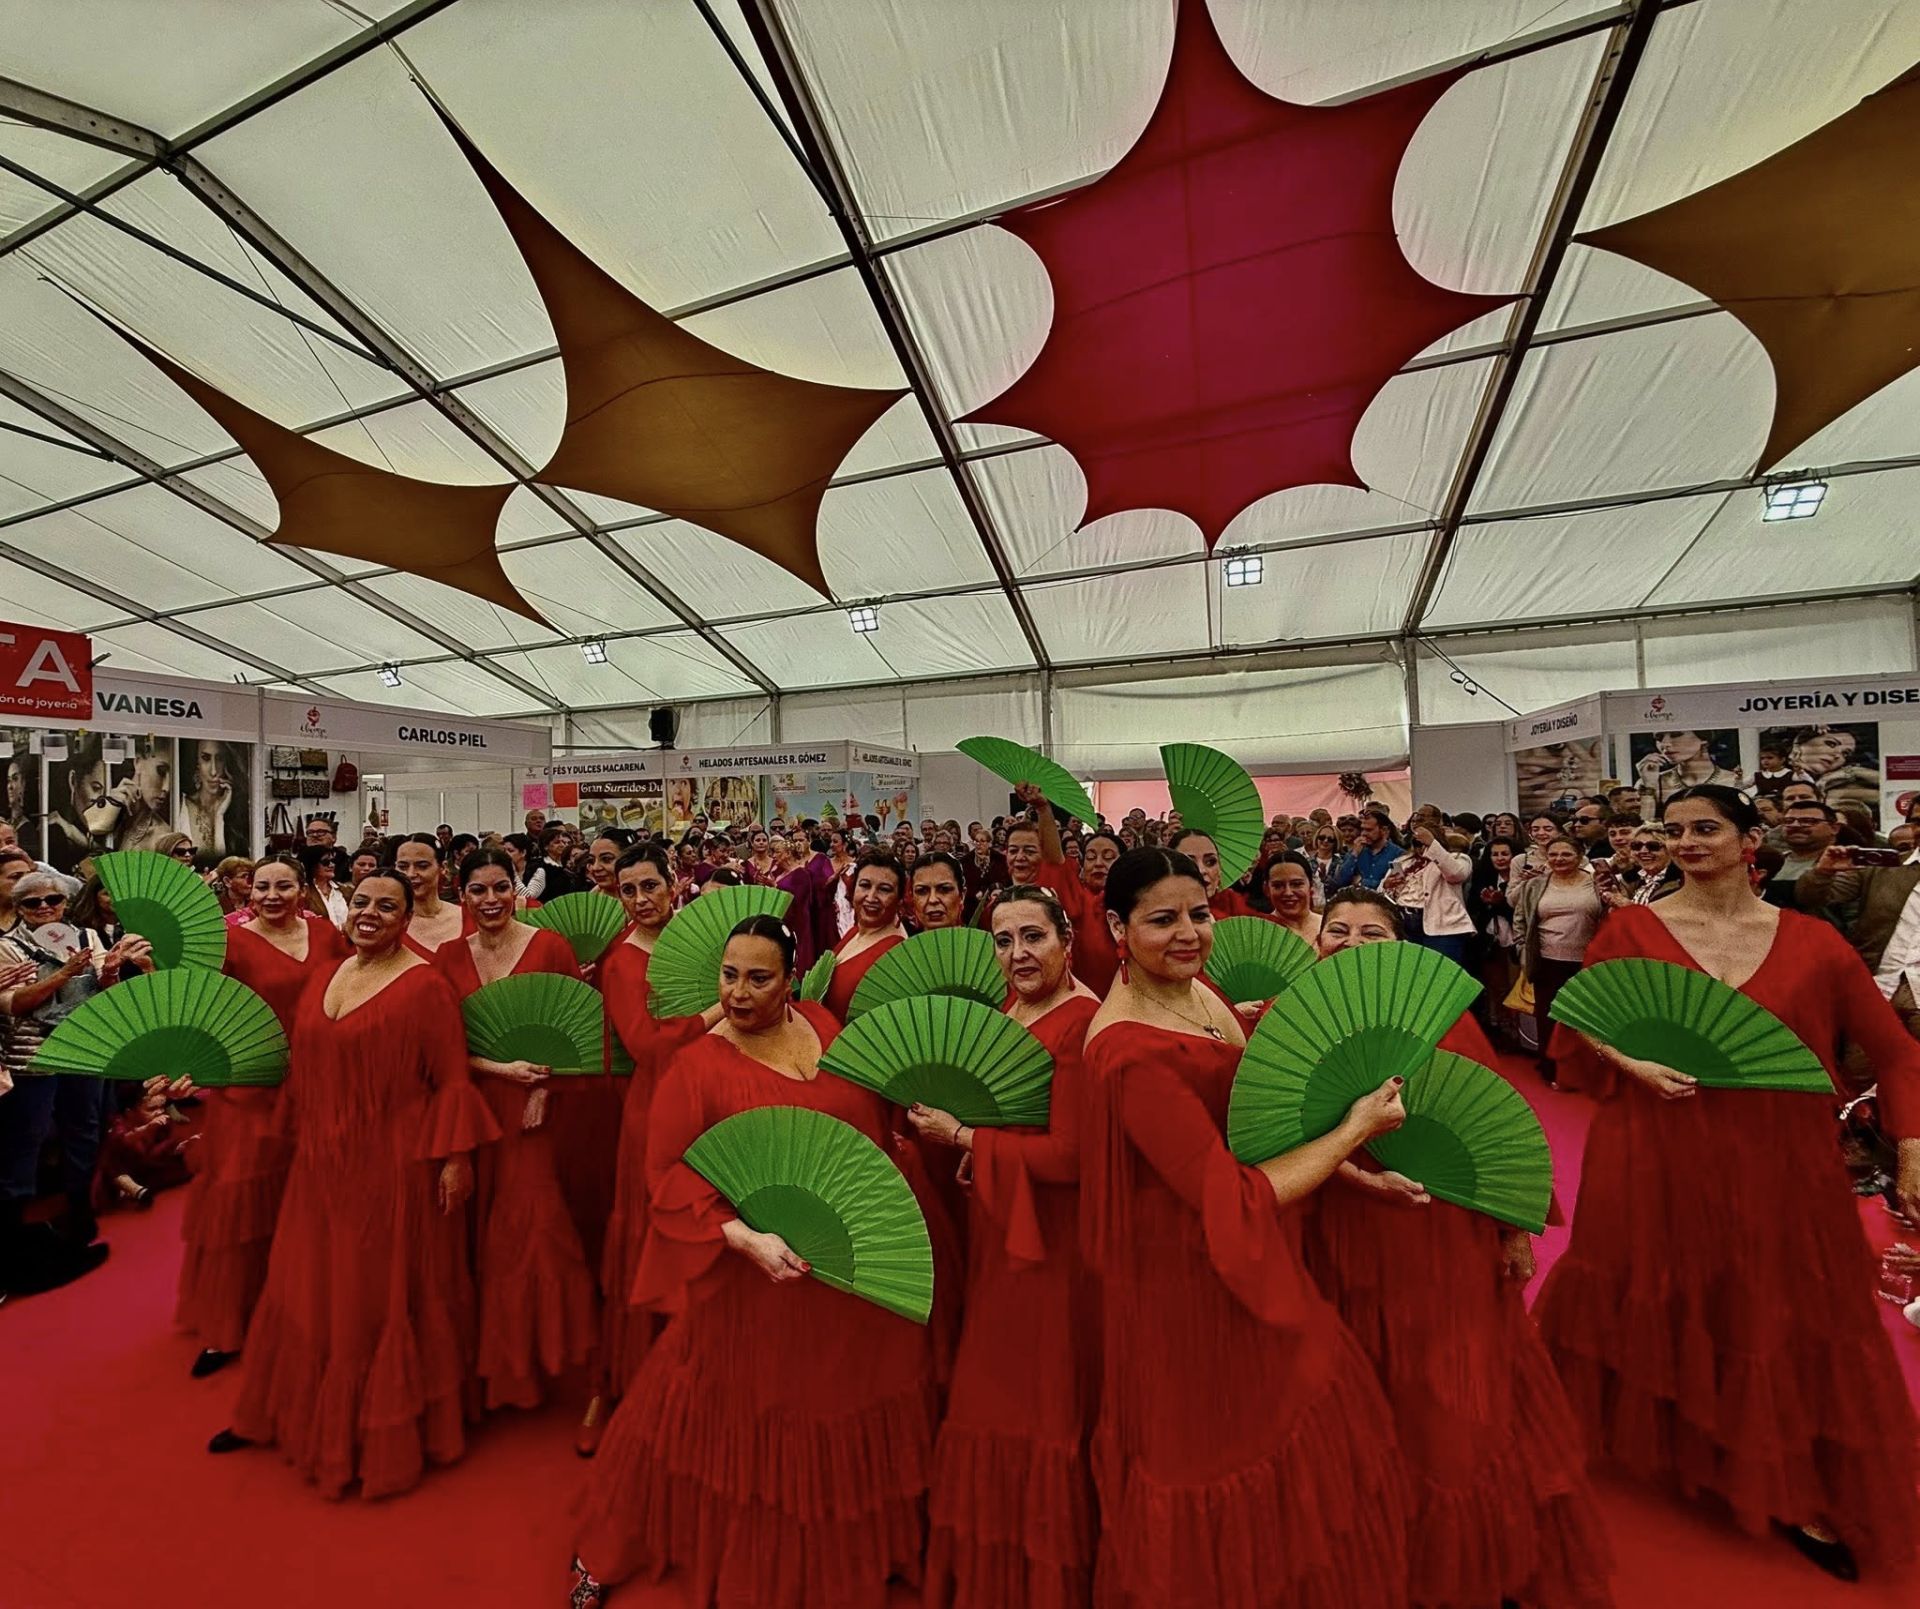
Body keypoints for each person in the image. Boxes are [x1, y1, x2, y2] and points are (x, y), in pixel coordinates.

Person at [1536, 785, 1920, 1579]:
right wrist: (1628, 1059)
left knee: (1777, 1312)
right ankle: (1684, 1444)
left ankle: (1800, 1484)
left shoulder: (1815, 943)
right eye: (1672, 830)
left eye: (1705, 827)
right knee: (1663, 1293)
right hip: (1654, 1151)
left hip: (1783, 1165)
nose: (1685, 841)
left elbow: (1898, 1051)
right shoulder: (1634, 929)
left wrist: (1911, 1147)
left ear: (1752, 839)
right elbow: (1575, 1027)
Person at [568, 917, 935, 1608]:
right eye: (729, 974)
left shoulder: (827, 1025)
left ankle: (853, 1555)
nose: (738, 991)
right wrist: (743, 1237)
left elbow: (864, 1124)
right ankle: (611, 1547)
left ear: (792, 979)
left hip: (843, 1274)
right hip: (748, 1280)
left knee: (840, 1412)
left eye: (758, 977)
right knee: (713, 1412)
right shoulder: (698, 1065)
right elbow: (667, 1174)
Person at [1079, 847, 1411, 1609]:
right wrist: (1352, 1134)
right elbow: (1224, 1191)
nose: (1190, 933)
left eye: (1199, 913)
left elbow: (1248, 1118)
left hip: (1249, 1245)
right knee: (1214, 1452)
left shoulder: (1198, 990)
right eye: (1162, 919)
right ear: (1115, 926)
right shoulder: (1128, 1052)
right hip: (1192, 1279)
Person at [1301, 888, 1612, 1609]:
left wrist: (1512, 1229)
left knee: (1453, 1396)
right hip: (1338, 1229)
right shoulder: (1295, 1021)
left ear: (1402, 943)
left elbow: (1496, 1134)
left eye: (1371, 932)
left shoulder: (1444, 1021)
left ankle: (1476, 1550)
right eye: (1336, 930)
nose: (1350, 943)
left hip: (1437, 1232)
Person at [209, 869, 500, 1498]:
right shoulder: (325, 973)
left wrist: (456, 1160)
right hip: (320, 1161)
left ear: (406, 918)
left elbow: (452, 1079)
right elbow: (303, 1067)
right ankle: (294, 1411)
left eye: (386, 906)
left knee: (374, 1294)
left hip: (395, 1163)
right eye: (362, 902)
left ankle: (376, 1433)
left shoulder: (426, 986)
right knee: (311, 1285)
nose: (369, 913)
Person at [906, 888, 1102, 1609]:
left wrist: (964, 1138)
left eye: (1032, 937)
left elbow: (1073, 1157)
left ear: (1066, 940)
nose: (1017, 953)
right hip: (999, 1225)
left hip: (1049, 1247)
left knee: (1035, 1397)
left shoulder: (1082, 1025)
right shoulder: (1006, 1012)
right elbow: (1016, 1132)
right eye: (1002, 939)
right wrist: (980, 1150)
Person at [435, 848, 598, 1412]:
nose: (490, 901)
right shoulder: (448, 957)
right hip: (475, 1107)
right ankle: (487, 1363)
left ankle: (533, 1361)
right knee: (477, 1232)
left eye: (500, 888)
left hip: (537, 1112)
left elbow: (577, 1029)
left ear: (518, 890)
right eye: (477, 890)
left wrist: (543, 1089)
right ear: (462, 895)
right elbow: (443, 1045)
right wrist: (497, 1069)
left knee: (529, 1234)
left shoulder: (550, 947)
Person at [178, 854, 348, 1376]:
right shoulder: (230, 943)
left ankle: (304, 1311)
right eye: (262, 886)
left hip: (320, 1085)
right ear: (248, 892)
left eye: (284, 886)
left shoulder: (328, 939)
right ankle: (229, 1324)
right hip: (247, 1091)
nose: (272, 895)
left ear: (303, 890)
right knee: (240, 1199)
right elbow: (202, 1010)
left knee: (312, 1200)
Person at [585, 845, 718, 1454]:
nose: (641, 899)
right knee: (651, 1237)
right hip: (655, 1108)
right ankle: (630, 1381)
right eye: (628, 890)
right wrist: (718, 1010)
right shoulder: (620, 962)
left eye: (650, 886)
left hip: (713, 1102)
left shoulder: (709, 941)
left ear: (675, 884)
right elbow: (644, 1045)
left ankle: (705, 1377)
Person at [0, 868, 151, 1294]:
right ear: (19, 907)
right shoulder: (7, 947)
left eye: (54, 900)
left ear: (66, 902)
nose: (45, 908)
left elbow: (105, 989)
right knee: (24, 1141)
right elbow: (17, 1005)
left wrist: (110, 971)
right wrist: (64, 973)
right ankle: (17, 1235)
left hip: (86, 1048)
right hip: (35, 1055)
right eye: (33, 903)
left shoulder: (87, 937)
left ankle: (79, 1210)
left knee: (84, 1129)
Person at [1511, 836, 1605, 1088]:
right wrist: (1523, 950)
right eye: (1553, 855)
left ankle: (1585, 1073)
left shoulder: (1597, 883)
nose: (1559, 860)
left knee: (1585, 1019)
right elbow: (1520, 920)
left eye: (1566, 854)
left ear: (1579, 855)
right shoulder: (1535, 885)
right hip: (1546, 962)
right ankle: (1553, 1072)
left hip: (1588, 962)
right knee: (1549, 1019)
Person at [1014, 784, 1121, 994]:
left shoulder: (1137, 905)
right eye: (1091, 857)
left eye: (1109, 858)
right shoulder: (1078, 900)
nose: (1099, 863)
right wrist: (1043, 809)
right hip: (1083, 1002)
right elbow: (1054, 861)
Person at [821, 848, 908, 1021]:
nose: (871, 897)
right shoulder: (856, 930)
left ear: (899, 899)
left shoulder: (896, 952)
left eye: (884, 889)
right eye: (865, 885)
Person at [1380, 819, 1473, 962]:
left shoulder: (1457, 858)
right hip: (1405, 922)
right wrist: (1387, 885)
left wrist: (1433, 845)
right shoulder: (1403, 861)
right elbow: (1381, 892)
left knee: (1440, 971)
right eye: (1417, 843)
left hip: (1442, 927)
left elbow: (1456, 874)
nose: (1420, 847)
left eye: (1424, 843)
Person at [84, 736, 173, 853]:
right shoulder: (110, 799)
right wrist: (112, 803)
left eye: (173, 778)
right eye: (160, 771)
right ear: (138, 762)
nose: (166, 787)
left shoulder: (161, 833)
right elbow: (92, 827)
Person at [1635, 731, 1742, 819]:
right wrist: (1649, 787)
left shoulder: (1735, 780)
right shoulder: (1651, 782)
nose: (1665, 744)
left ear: (1703, 738)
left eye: (1676, 735)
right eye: (1659, 738)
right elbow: (1640, 832)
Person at [394, 834, 468, 956]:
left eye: (422, 866)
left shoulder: (470, 917)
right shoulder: (388, 924)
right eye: (403, 867)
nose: (411, 874)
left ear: (443, 867)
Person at [176, 738, 240, 857]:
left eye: (220, 759)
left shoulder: (234, 813)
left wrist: (219, 816)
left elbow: (222, 865)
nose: (214, 771)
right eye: (206, 758)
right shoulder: (180, 806)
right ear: (197, 764)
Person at [1327, 806, 1403, 892]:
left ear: (1384, 830)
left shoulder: (1397, 854)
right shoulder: (1356, 851)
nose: (1363, 833)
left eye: (1369, 830)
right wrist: (1354, 855)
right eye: (1362, 829)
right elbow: (1340, 882)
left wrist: (1361, 882)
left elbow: (1397, 885)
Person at [1253, 849, 1320, 943]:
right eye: (1278, 886)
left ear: (1311, 885)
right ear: (1266, 889)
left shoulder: (1329, 926)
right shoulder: (1258, 933)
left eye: (1296, 884)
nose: (1288, 893)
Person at [908, 850, 969, 934]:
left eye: (944, 889)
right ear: (912, 897)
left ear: (962, 895)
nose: (932, 900)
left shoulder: (984, 945)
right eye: (922, 891)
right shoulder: (900, 946)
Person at [299, 843, 349, 927]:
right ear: (312, 865)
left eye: (333, 861)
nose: (332, 865)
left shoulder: (346, 891)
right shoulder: (303, 893)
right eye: (326, 862)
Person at [213, 855, 257, 923]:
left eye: (251, 876)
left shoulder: (256, 903)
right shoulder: (215, 906)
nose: (250, 880)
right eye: (244, 876)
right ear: (227, 881)